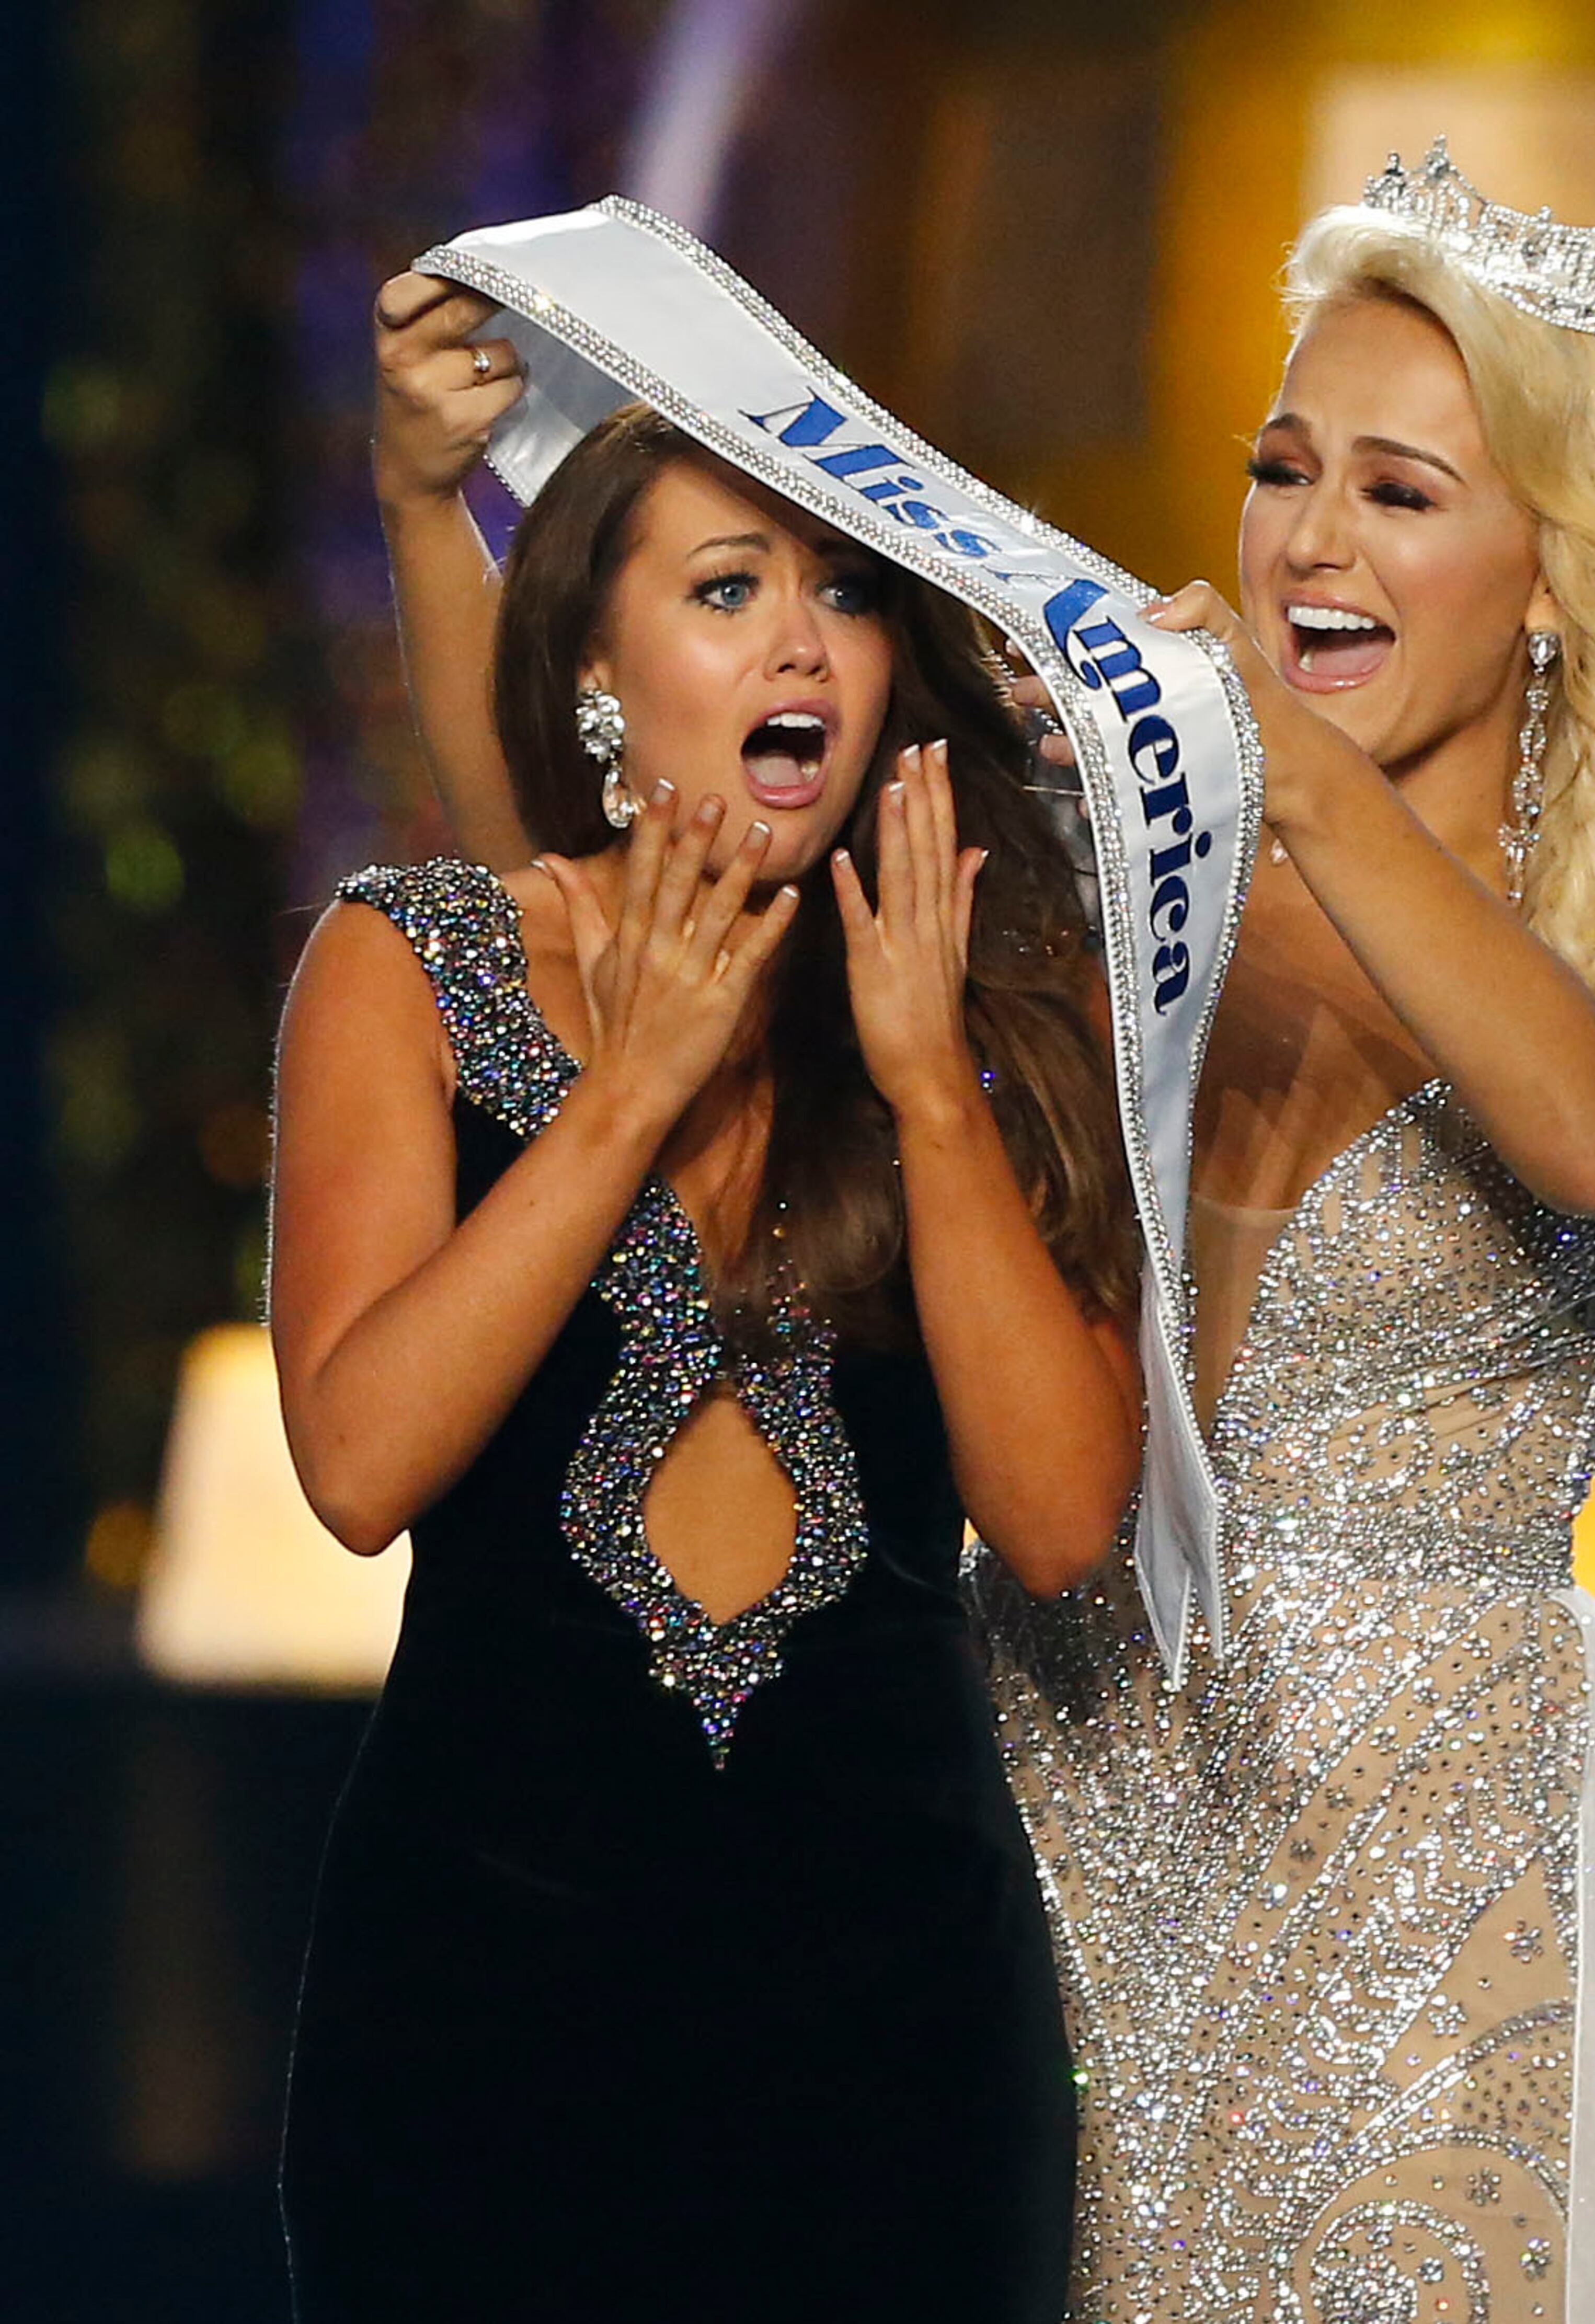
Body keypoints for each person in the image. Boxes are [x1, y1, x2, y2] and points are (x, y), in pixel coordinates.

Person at [370, 146, 1595, 2317]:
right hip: (1034, 1804)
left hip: (1422, 1862)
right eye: (1285, 470)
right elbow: (610, 908)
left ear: (1556, 576)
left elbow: (1587, 1129)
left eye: (1402, 489)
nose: (1309, 538)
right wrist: (435, 512)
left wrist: (1278, 770)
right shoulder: (1109, 887)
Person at [269, 382, 1143, 2323]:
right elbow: (354, 1468)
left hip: (898, 2023)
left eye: (842, 590)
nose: (800, 640)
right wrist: (627, 1093)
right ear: (593, 663)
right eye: (729, 586)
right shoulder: (410, 964)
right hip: (489, 2004)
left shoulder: (990, 995)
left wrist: (930, 1088)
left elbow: (1066, 1523)